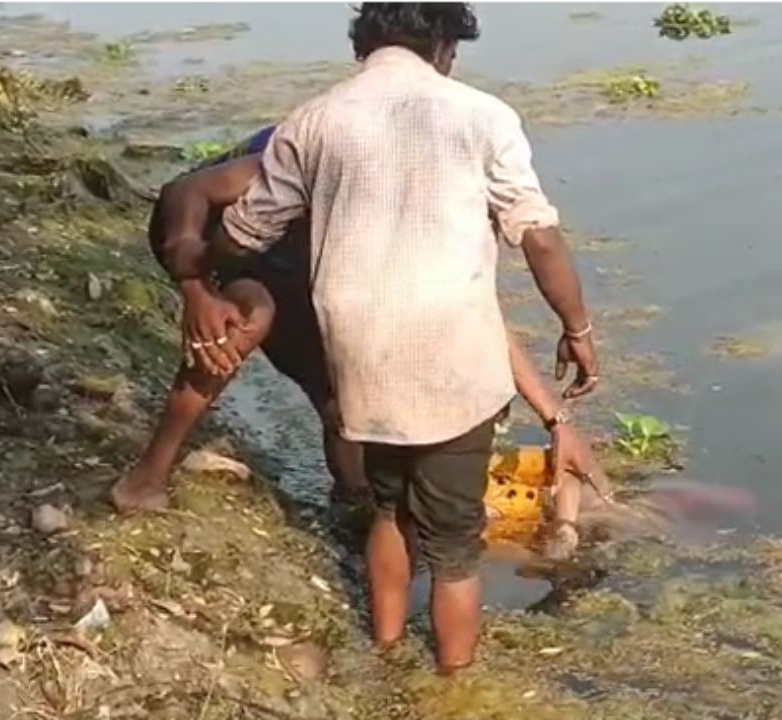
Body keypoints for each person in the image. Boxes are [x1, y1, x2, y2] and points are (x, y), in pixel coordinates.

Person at [204, 3, 599, 673]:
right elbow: (538, 235)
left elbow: (246, 230)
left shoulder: (314, 118)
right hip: (451, 356)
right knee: (455, 546)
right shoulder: (482, 115)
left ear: (366, 42)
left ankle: (386, 646)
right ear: (442, 43)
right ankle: (452, 679)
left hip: (359, 350)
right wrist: (576, 328)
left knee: (388, 508)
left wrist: (199, 273)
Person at [112, 126, 607, 542]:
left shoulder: (427, 227)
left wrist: (557, 420)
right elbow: (187, 193)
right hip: (207, 237)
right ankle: (145, 479)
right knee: (247, 316)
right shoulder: (326, 155)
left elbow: (478, 314)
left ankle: (355, 507)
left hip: (306, 260)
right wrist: (197, 294)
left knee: (339, 399)